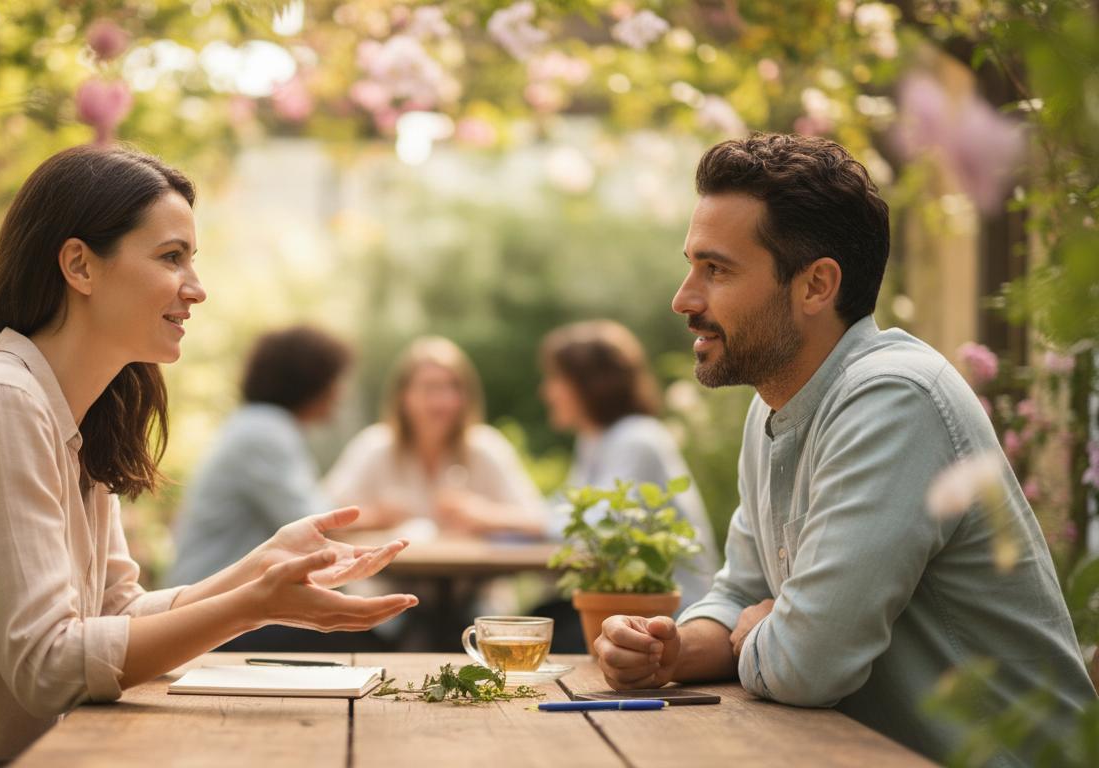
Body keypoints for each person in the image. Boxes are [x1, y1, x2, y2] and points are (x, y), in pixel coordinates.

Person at [0, 145, 416, 762]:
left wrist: (254, 572)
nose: (196, 289)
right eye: (172, 257)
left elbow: (115, 615)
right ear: (80, 266)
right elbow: (50, 666)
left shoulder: (74, 417)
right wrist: (254, 605)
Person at [592, 133, 1094, 765]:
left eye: (716, 269)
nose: (685, 298)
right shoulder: (775, 404)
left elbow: (807, 666)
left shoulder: (894, 401)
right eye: (692, 265)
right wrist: (669, 650)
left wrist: (768, 632)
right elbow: (739, 591)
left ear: (815, 286)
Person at [540, 319, 719, 610]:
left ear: (590, 384)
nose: (547, 392)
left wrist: (501, 520)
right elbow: (566, 513)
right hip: (626, 602)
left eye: (557, 379)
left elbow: (599, 526)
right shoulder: (594, 439)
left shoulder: (637, 438)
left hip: (669, 613)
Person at [168, 325, 351, 586]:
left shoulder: (256, 425)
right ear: (311, 381)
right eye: (336, 379)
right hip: (214, 601)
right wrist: (376, 516)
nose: (340, 391)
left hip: (219, 592)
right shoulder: (265, 432)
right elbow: (315, 523)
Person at [324, 336, 548, 538]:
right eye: (430, 388)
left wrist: (486, 515)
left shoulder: (485, 446)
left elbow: (542, 521)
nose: (443, 401)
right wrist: (376, 518)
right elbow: (319, 519)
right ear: (403, 396)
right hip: (390, 579)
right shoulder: (375, 446)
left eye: (453, 388)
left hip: (474, 580)